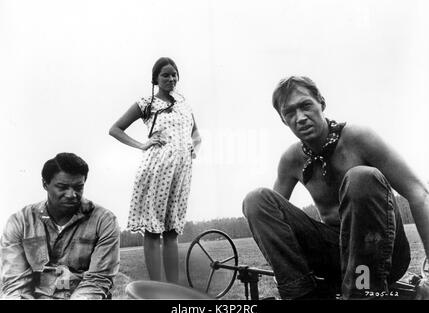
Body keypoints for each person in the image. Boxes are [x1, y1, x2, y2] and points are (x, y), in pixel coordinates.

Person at [242, 76, 429, 299]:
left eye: (306, 106)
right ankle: (302, 296)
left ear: (321, 102)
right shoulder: (291, 159)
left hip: (382, 253)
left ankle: (362, 293)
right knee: (256, 200)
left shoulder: (360, 138)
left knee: (360, 177)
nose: (300, 118)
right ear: (283, 120)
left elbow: (419, 194)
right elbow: (271, 219)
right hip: (335, 258)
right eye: (290, 112)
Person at [109, 57, 201, 284]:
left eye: (174, 75)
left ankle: (173, 289)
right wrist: (142, 145)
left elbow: (197, 136)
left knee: (172, 232)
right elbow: (115, 129)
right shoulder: (146, 103)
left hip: (181, 173)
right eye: (165, 75)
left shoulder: (184, 105)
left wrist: (193, 149)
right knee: (153, 231)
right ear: (155, 79)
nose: (171, 79)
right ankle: (158, 291)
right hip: (156, 170)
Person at [0, 152, 120, 299]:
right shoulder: (20, 222)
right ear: (45, 184)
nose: (71, 194)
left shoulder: (104, 221)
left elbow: (97, 281)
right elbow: (15, 285)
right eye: (62, 187)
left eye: (78, 187)